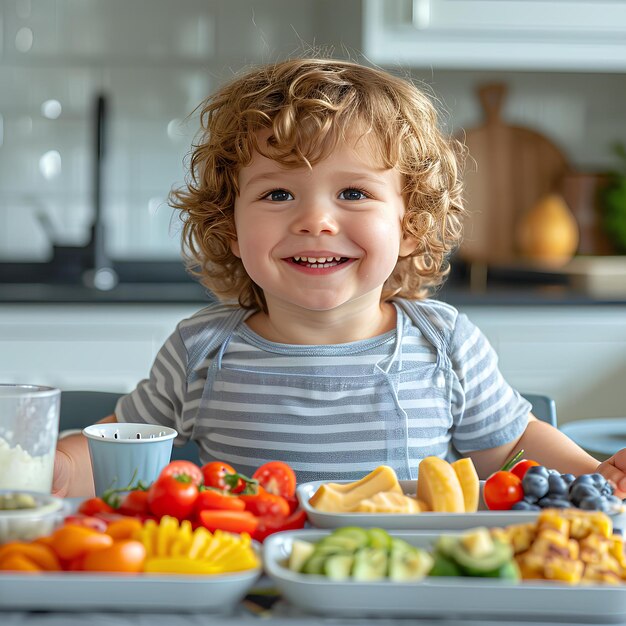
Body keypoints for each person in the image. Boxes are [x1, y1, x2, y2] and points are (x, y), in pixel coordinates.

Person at [53, 58, 626, 498]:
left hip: (406, 586)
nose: (316, 221)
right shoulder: (201, 349)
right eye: (278, 193)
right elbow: (114, 449)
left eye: (353, 193)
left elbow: (516, 447)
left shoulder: (445, 344)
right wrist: (45, 468)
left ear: (411, 225)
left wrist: (600, 476)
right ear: (229, 227)